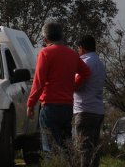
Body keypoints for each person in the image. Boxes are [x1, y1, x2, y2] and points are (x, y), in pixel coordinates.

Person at [27, 21, 91, 149]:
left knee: (50, 146)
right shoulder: (72, 53)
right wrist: (73, 87)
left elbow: (39, 82)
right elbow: (86, 72)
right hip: (67, 106)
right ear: (62, 36)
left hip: (50, 106)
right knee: (66, 145)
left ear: (45, 39)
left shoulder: (45, 53)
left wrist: (30, 104)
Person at [73, 35, 106, 167]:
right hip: (97, 109)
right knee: (94, 145)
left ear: (82, 48)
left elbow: (77, 84)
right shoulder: (99, 63)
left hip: (84, 108)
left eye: (78, 48)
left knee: (84, 146)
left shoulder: (85, 62)